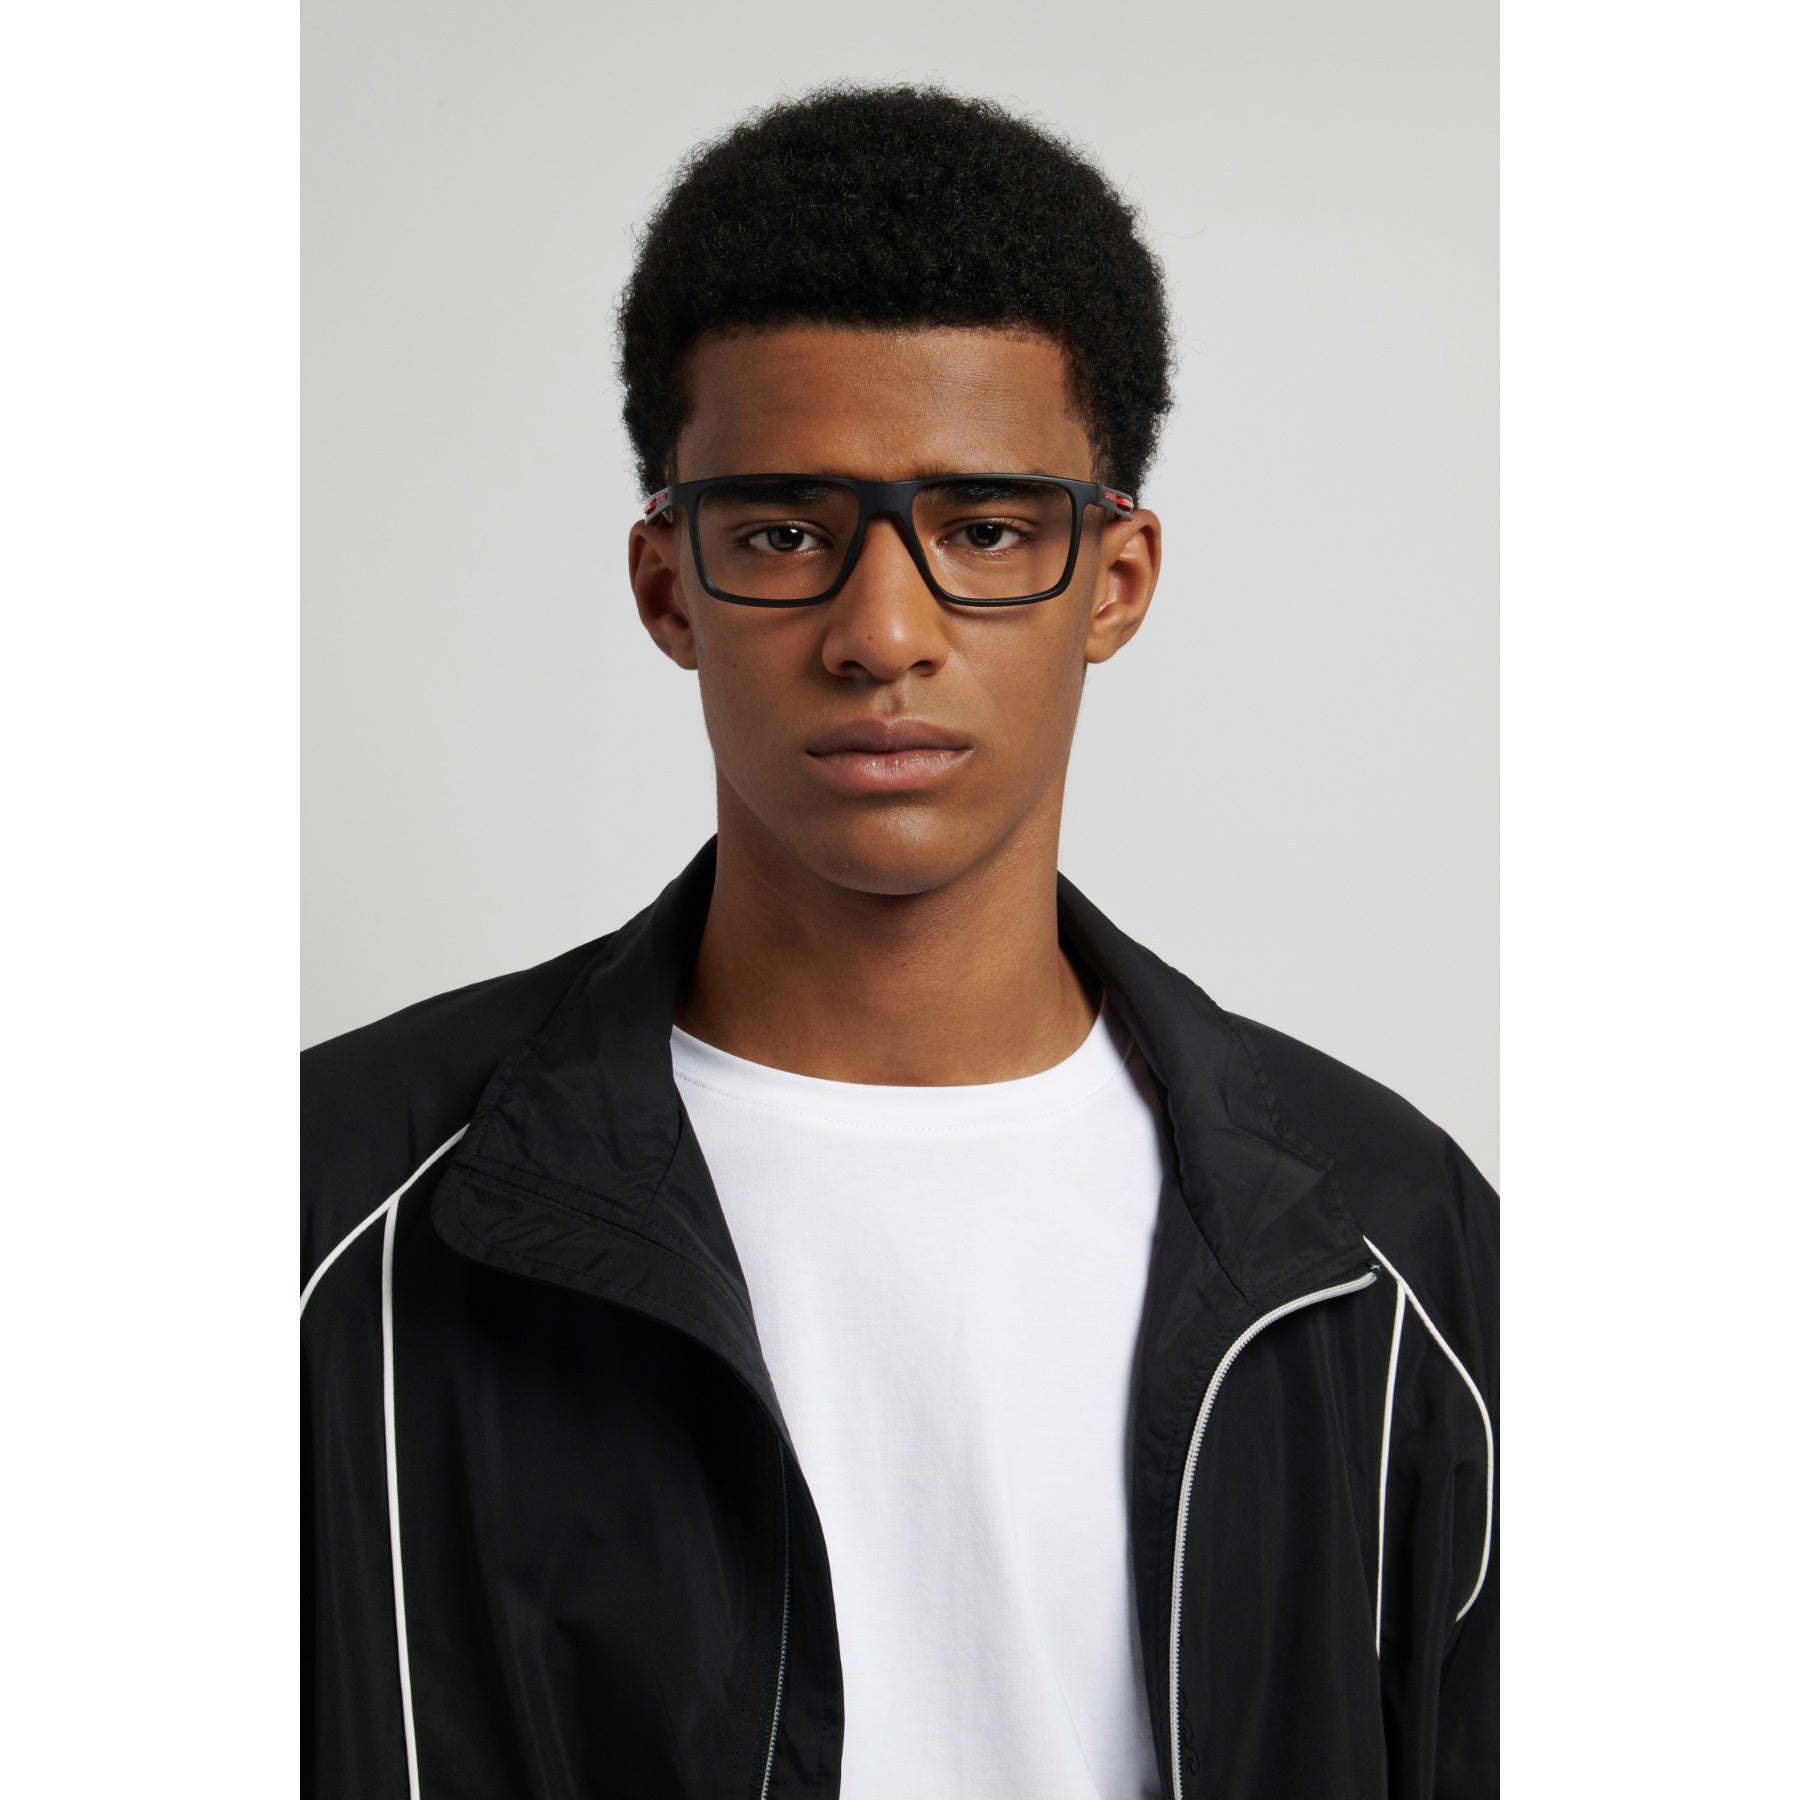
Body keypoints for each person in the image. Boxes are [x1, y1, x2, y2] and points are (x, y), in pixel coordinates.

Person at [301, 84, 1498, 1800]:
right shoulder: (326, 1212)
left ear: (1115, 580)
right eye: (784, 532)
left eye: (985, 530)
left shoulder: (1391, 1245)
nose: (882, 632)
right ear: (666, 585)